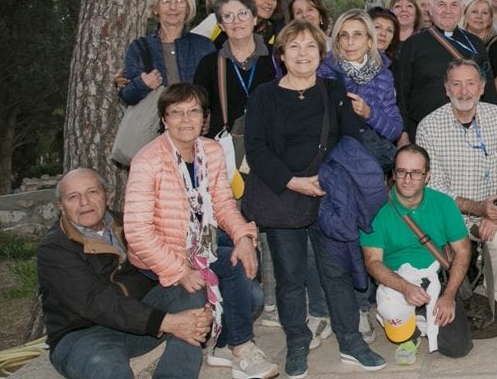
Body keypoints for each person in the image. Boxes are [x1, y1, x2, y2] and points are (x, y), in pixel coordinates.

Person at [245, 20, 387, 377]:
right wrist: (293, 182)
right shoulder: (264, 95)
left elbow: (351, 139)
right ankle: (297, 343)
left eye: (310, 46)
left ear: (321, 54)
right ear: (281, 54)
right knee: (291, 278)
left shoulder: (332, 89)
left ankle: (351, 342)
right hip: (283, 198)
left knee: (336, 273)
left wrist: (330, 179)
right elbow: (256, 149)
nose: (303, 54)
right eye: (294, 46)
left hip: (327, 196)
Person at [124, 83, 275, 379]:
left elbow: (223, 203)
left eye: (193, 111)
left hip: (200, 249)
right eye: (176, 113)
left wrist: (243, 237)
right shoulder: (148, 160)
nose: (185, 120)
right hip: (160, 258)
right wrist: (179, 271)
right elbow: (137, 231)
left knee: (249, 286)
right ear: (164, 119)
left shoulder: (211, 150)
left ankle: (229, 346)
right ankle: (232, 350)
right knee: (210, 294)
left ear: (204, 118)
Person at [38, 168, 214, 379]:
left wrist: (200, 311)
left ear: (107, 194)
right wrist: (166, 322)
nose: (84, 202)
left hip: (139, 326)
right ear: (61, 206)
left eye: (92, 192)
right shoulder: (54, 248)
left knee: (192, 285)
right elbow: (95, 302)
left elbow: (168, 262)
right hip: (84, 334)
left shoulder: (130, 225)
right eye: (73, 197)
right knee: (105, 368)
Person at [417, 59, 497, 320]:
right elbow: (434, 188)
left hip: (492, 212)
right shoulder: (429, 126)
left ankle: (496, 298)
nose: (464, 91)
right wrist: (478, 208)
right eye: (456, 84)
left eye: (470, 83)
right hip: (448, 217)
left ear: (482, 87)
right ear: (446, 88)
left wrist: (495, 212)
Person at [363, 145, 474, 364]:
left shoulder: (443, 203)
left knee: (457, 348)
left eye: (415, 173)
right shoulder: (376, 209)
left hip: (436, 277)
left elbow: (463, 250)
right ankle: (410, 329)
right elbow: (372, 261)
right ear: (393, 174)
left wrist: (449, 295)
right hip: (396, 280)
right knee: (394, 316)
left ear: (427, 176)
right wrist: (405, 287)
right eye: (401, 171)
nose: (407, 179)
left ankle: (421, 314)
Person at [396, 0, 497, 139]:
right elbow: (401, 92)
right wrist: (403, 133)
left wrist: (492, 127)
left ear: (462, 9)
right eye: (441, 4)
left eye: (454, 5)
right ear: (430, 9)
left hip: (469, 130)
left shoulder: (475, 43)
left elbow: (488, 90)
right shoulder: (413, 44)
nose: (447, 10)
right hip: (424, 131)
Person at [318, 9, 403, 169]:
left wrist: (369, 113)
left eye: (357, 35)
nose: (350, 42)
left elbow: (395, 129)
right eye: (344, 35)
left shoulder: (384, 75)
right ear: (337, 41)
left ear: (370, 41)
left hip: (370, 166)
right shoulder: (323, 71)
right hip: (332, 163)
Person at [193, 0, 281, 138]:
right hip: (225, 147)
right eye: (228, 16)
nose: (236, 21)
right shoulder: (209, 64)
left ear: (254, 18)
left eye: (243, 13)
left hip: (271, 143)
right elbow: (196, 107)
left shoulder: (278, 58)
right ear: (221, 25)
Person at [119, 0, 215, 107]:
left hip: (194, 119)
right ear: (155, 8)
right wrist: (143, 85)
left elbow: (216, 92)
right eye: (166, 1)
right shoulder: (139, 47)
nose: (173, 7)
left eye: (179, 1)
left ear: (188, 8)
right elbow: (127, 96)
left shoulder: (204, 46)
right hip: (155, 119)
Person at [463, 0, 497, 97]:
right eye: (474, 12)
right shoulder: (456, 41)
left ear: (490, 19)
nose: (479, 16)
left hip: (487, 100)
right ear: (465, 14)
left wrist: (473, 92)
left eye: (484, 13)